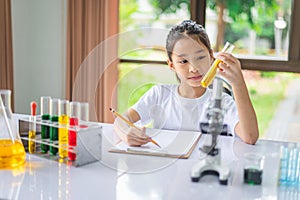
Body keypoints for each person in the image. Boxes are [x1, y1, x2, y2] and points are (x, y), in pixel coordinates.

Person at [113, 20, 259, 146]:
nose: (193, 68)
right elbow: (122, 120)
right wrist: (126, 133)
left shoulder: (221, 101)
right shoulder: (159, 95)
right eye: (183, 61)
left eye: (200, 57)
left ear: (211, 57)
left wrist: (238, 83)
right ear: (171, 65)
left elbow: (250, 137)